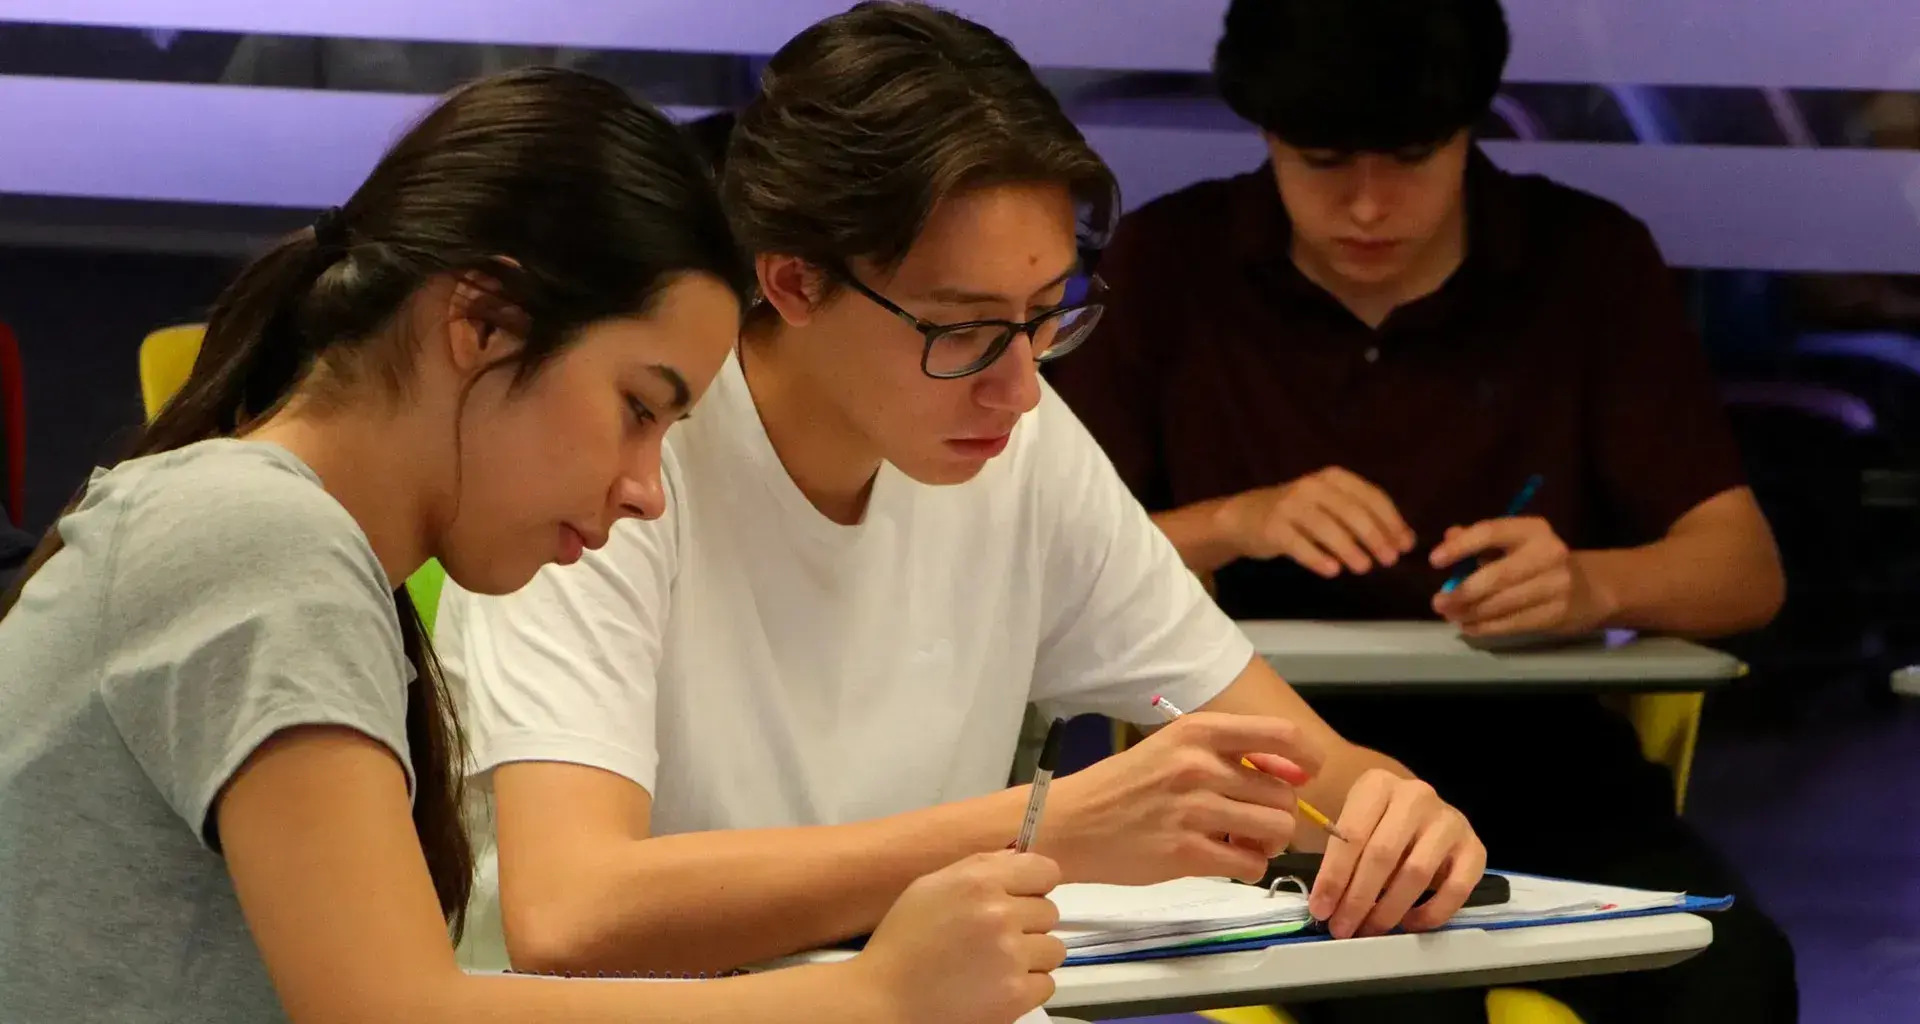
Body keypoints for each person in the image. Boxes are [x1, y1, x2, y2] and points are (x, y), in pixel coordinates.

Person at [436, 1, 1486, 980]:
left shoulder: (1019, 442)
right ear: (793, 278)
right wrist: (1037, 830)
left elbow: (1315, 772)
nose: (1021, 384)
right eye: (964, 328)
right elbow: (569, 911)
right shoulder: (621, 452)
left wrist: (1397, 814)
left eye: (1046, 313)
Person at [0, 67, 1067, 1024]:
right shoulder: (262, 541)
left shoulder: (273, 537)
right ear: (484, 322)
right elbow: (396, 1013)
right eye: (637, 408)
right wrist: (870, 996)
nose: (647, 490)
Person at [1045, 2, 1795, 1022]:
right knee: (1387, 991)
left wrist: (1591, 584)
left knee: (1730, 971)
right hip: (1280, 777)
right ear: (1265, 136)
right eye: (1321, 162)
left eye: (1409, 159)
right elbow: (1055, 569)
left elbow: (1744, 570)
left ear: (1469, 131)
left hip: (1542, 768)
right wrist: (1237, 520)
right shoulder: (1174, 265)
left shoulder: (1582, 261)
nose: (1366, 206)